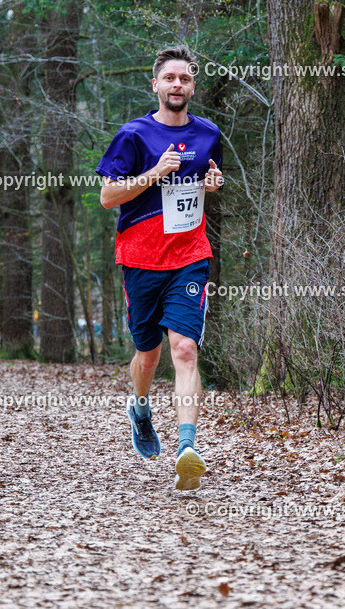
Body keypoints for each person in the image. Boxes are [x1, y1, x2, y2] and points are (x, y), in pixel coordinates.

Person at [96, 45, 224, 491]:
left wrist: (212, 184)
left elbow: (205, 182)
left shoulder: (209, 134)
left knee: (185, 349)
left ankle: (187, 448)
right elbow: (108, 197)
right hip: (140, 259)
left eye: (185, 79)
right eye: (169, 78)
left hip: (190, 255)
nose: (177, 85)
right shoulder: (133, 136)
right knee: (147, 353)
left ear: (193, 86)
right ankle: (140, 407)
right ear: (155, 84)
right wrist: (153, 173)